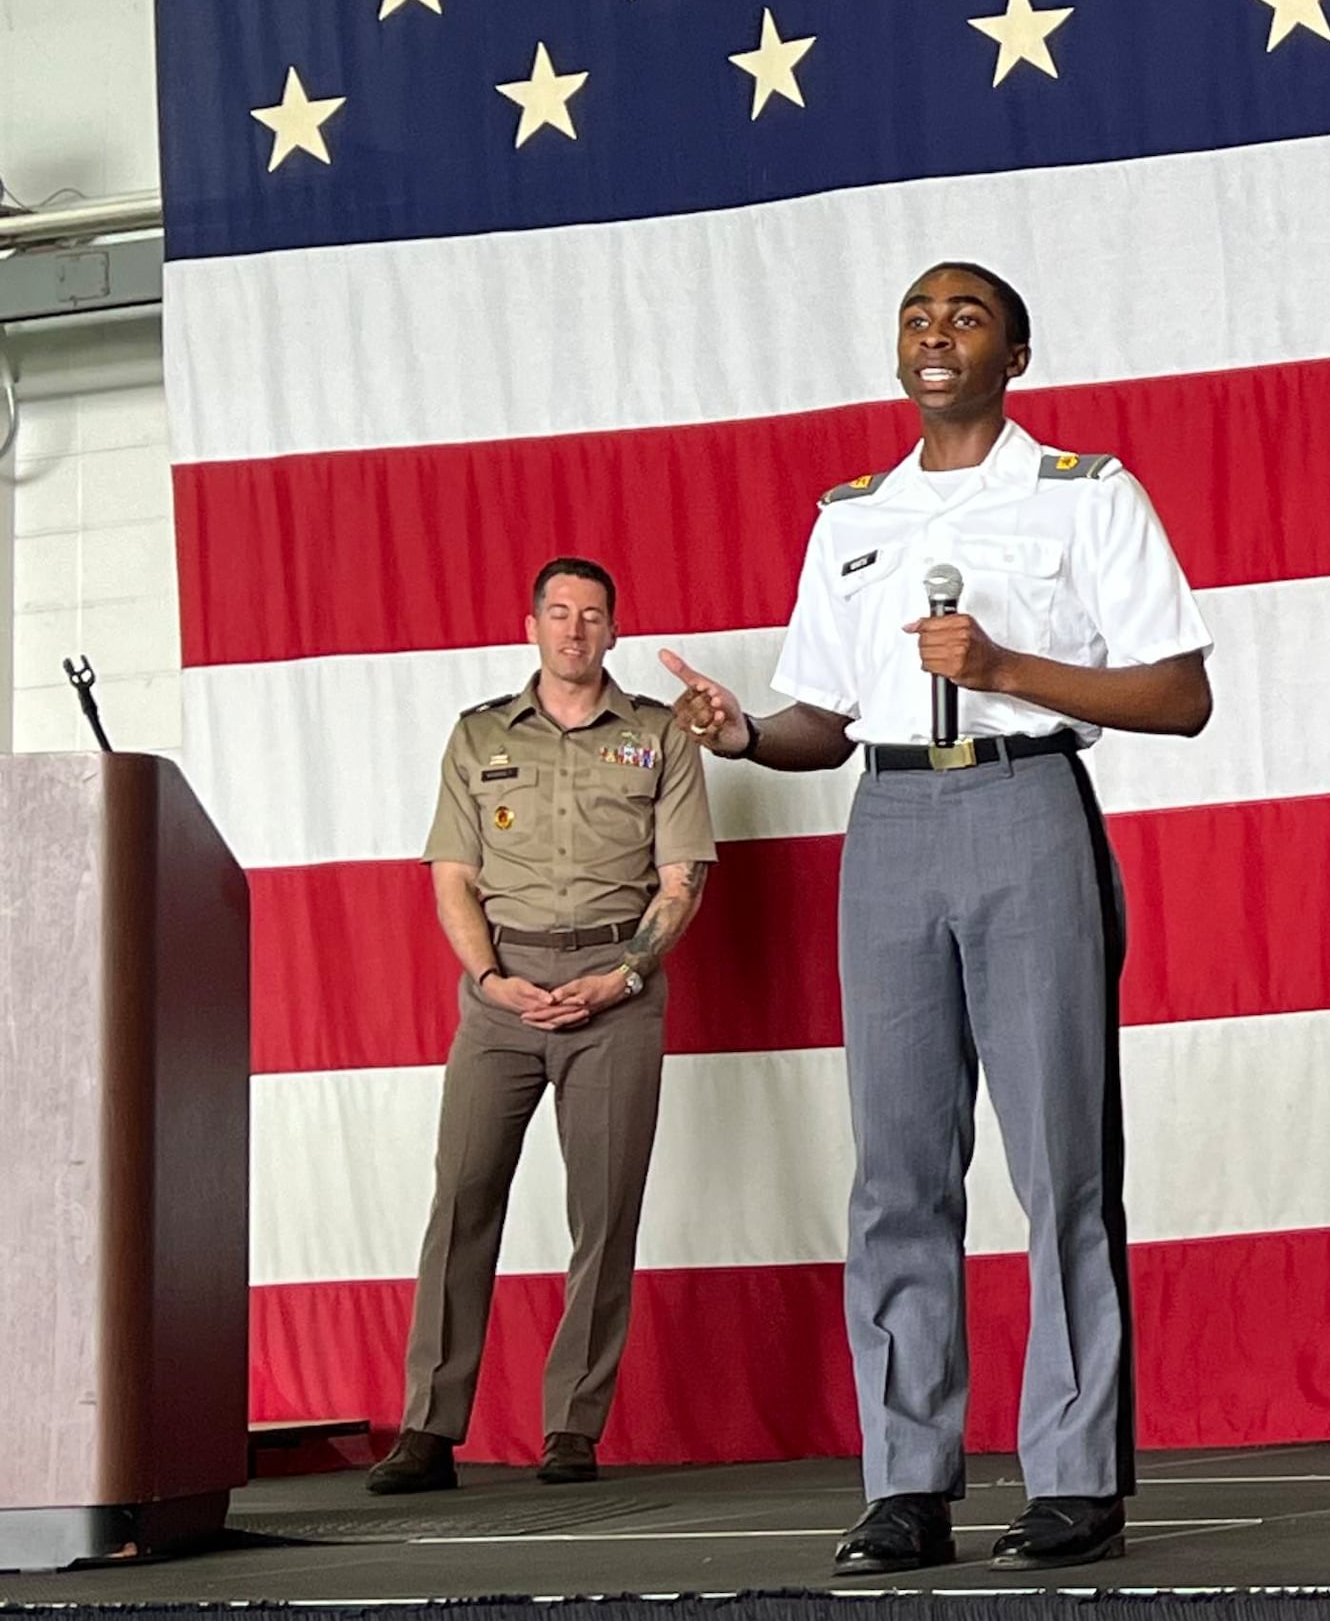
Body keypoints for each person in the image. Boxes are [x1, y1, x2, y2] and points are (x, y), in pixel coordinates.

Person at [662, 264, 1214, 1571]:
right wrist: (742, 730)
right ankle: (908, 1483)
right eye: (916, 315)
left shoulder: (1085, 495)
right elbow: (820, 719)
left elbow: (1180, 695)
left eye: (965, 316)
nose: (935, 334)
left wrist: (1007, 667)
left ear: (1016, 351)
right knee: (897, 1175)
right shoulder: (854, 518)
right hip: (890, 825)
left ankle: (1073, 1476)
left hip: (1027, 809)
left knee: (1059, 1165)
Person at [364, 558, 713, 1495]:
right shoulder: (479, 736)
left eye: (592, 615)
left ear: (612, 630)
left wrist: (622, 975)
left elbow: (684, 877)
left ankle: (572, 1427)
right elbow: (452, 877)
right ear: (532, 626)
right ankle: (428, 1430)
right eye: (558, 613)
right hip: (502, 993)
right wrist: (492, 978)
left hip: (619, 992)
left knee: (603, 1214)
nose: (574, 630)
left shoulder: (657, 736)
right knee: (462, 1203)